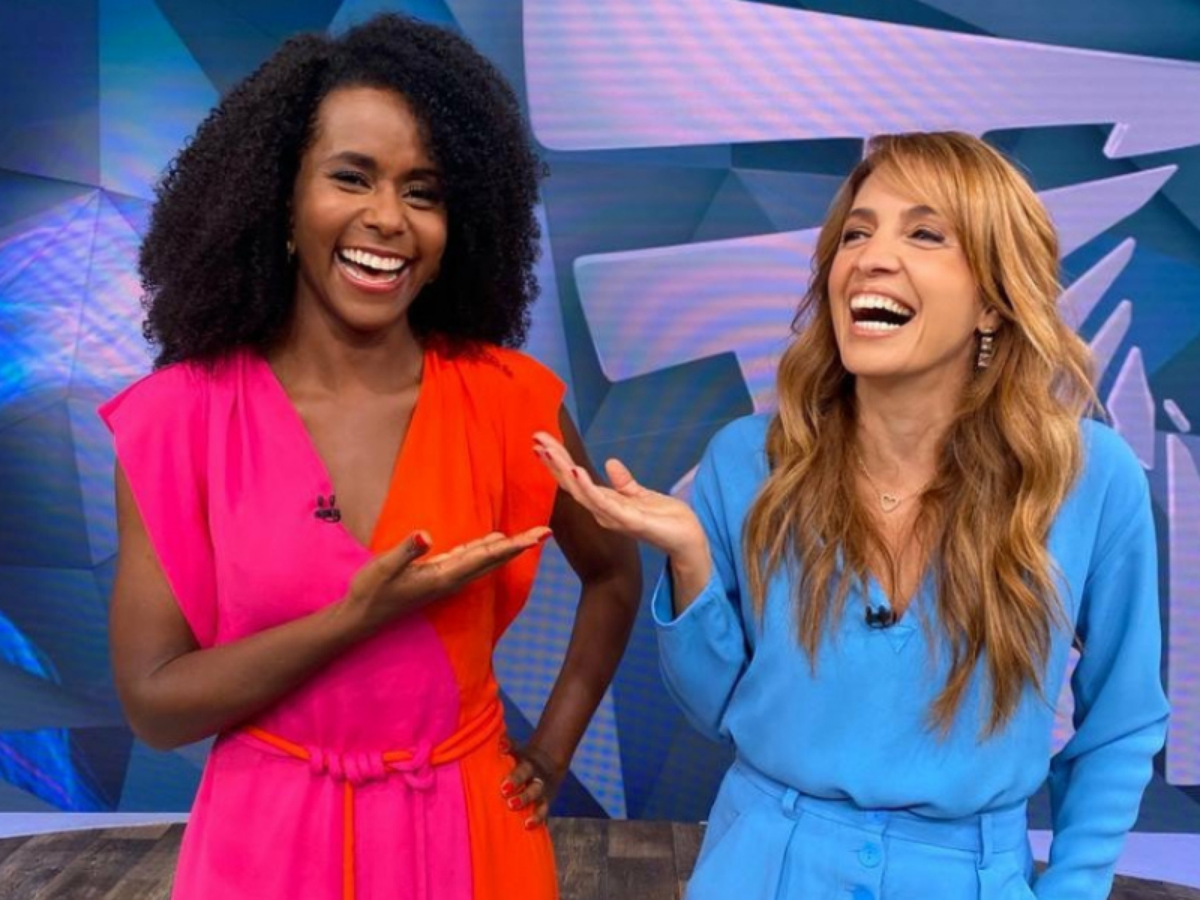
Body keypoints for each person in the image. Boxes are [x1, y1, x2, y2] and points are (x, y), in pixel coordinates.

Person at [534, 132, 1168, 899]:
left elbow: (1121, 723)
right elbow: (719, 712)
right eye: (856, 234)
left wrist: (1073, 890)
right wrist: (692, 560)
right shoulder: (748, 460)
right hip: (764, 865)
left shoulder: (1089, 478)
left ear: (993, 301)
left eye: (925, 234)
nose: (871, 258)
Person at [101, 14, 640, 900]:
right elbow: (156, 706)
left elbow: (614, 575)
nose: (388, 218)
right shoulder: (177, 419)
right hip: (264, 849)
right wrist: (353, 617)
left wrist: (549, 752)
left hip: (473, 838)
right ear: (280, 199)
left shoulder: (512, 401)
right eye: (351, 177)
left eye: (423, 192)